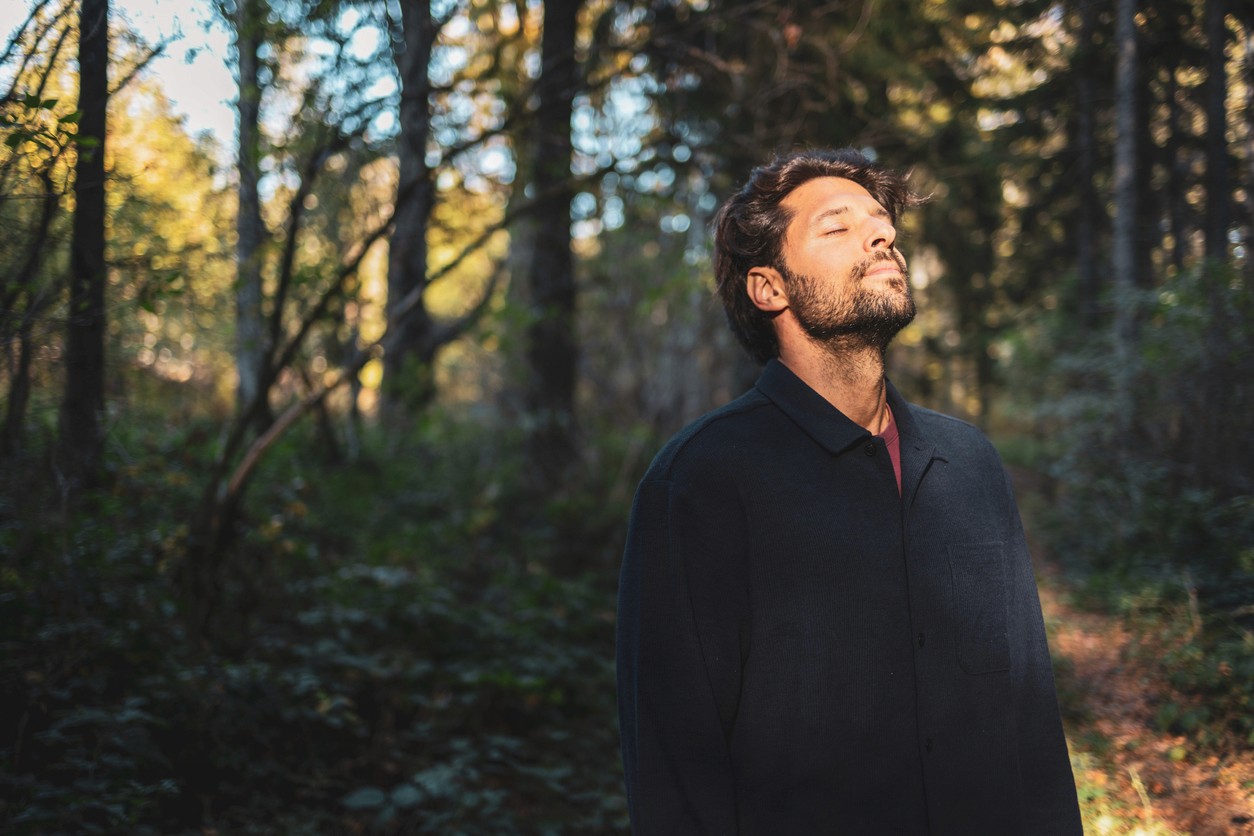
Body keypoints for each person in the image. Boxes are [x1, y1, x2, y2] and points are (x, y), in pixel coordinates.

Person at [615, 148, 1082, 834]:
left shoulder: (970, 462)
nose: (881, 235)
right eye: (837, 228)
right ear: (769, 288)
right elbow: (674, 768)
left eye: (880, 221)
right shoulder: (701, 480)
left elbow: (1030, 719)